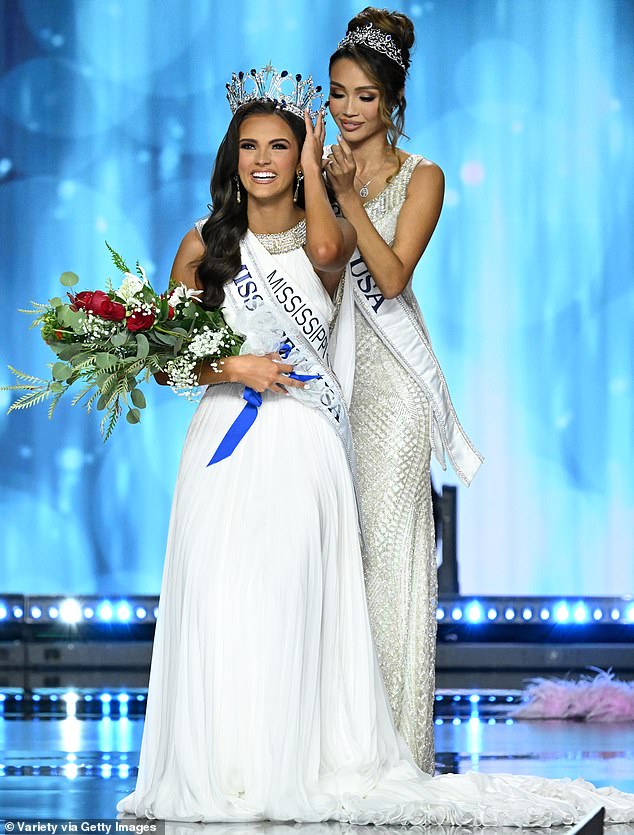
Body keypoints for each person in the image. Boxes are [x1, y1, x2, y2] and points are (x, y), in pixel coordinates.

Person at [116, 66, 634, 826]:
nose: (264, 159)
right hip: (220, 446)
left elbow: (331, 249)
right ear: (232, 156)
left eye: (281, 145)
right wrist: (236, 366)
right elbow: (166, 359)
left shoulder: (325, 236)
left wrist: (326, 177)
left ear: (301, 154)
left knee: (288, 603)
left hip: (299, 441)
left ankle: (290, 764)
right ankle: (222, 767)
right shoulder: (201, 242)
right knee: (219, 602)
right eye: (250, 146)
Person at [324, 7, 483, 774]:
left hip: (394, 389)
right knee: (335, 560)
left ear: (390, 101)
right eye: (336, 94)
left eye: (363, 96)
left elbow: (389, 277)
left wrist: (349, 197)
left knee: (389, 562)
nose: (349, 111)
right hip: (334, 382)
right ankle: (336, 742)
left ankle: (393, 754)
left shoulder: (423, 177)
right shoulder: (313, 167)